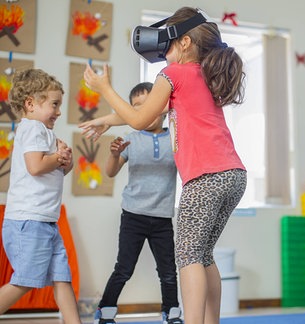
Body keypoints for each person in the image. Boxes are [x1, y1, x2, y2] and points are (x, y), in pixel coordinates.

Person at [79, 7, 247, 324]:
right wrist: (105, 121)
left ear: (183, 43)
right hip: (233, 176)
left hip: (206, 177)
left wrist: (105, 90)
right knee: (203, 254)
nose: (162, 52)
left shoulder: (172, 74)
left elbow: (141, 118)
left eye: (166, 44)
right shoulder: (201, 75)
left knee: (187, 256)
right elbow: (149, 114)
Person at [92, 82, 182, 324]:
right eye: (136, 108)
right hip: (133, 215)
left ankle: (171, 312)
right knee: (124, 268)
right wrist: (113, 155)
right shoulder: (130, 138)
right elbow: (110, 173)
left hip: (162, 218)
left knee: (168, 272)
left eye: (148, 105)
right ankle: (106, 312)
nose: (143, 112)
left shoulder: (175, 138)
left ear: (160, 106)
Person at [0, 69, 78, 322]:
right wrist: (57, 158)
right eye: (54, 104)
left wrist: (65, 161)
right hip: (28, 222)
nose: (58, 111)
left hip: (45, 222)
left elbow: (52, 171)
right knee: (25, 280)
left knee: (62, 277)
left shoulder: (46, 133)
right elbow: (35, 166)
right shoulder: (32, 128)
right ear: (30, 104)